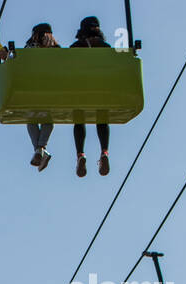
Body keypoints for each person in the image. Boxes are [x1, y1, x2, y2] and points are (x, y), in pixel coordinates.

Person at [0, 23, 59, 169]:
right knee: (48, 120)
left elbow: (18, 64)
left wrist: (6, 56)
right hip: (51, 88)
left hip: (30, 88)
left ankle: (39, 150)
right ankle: (40, 149)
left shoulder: (30, 47)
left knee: (31, 119)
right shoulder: (56, 49)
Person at [70, 17, 111, 177]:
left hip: (80, 87)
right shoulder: (105, 46)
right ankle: (104, 152)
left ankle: (80, 154)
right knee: (102, 119)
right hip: (101, 87)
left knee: (79, 120)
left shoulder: (77, 46)